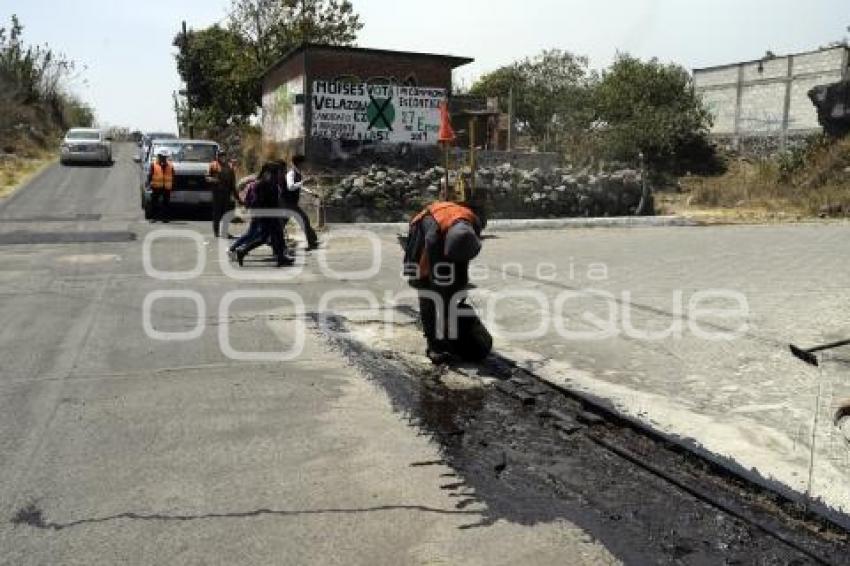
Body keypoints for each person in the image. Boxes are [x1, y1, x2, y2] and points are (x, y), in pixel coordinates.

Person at [404, 200, 484, 364]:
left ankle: (450, 332)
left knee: (456, 283)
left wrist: (458, 292)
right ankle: (434, 345)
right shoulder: (432, 239)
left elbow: (462, 265)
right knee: (427, 290)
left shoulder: (474, 222)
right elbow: (435, 277)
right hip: (424, 231)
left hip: (446, 229)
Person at [230, 161, 292, 267]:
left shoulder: (271, 183)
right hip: (266, 215)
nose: (279, 174)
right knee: (266, 237)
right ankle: (242, 251)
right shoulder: (262, 184)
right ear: (269, 173)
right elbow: (261, 201)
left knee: (277, 236)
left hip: (271, 214)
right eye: (277, 172)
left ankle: (281, 257)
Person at [282, 155, 320, 250]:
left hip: (290, 204)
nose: (306, 164)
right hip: (288, 203)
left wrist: (311, 193)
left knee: (282, 223)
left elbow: (299, 186)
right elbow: (290, 187)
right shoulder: (291, 173)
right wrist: (303, 182)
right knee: (304, 220)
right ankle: (312, 242)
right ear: (299, 163)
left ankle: (271, 239)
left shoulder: (298, 173)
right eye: (304, 162)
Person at [206, 149, 240, 238]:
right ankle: (216, 233)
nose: (222, 157)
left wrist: (237, 196)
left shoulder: (230, 166)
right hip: (217, 194)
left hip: (226, 194)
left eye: (223, 155)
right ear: (217, 156)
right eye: (220, 155)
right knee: (216, 214)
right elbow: (207, 177)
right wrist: (214, 180)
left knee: (226, 214)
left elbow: (233, 182)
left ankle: (225, 232)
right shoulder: (213, 165)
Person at [147, 148, 174, 222]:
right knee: (154, 203)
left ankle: (165, 218)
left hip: (166, 187)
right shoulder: (153, 165)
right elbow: (150, 175)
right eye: (162, 156)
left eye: (165, 157)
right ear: (158, 156)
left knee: (166, 203)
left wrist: (173, 186)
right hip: (156, 187)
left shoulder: (170, 165)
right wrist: (149, 185)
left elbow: (173, 176)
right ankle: (154, 217)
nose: (163, 158)